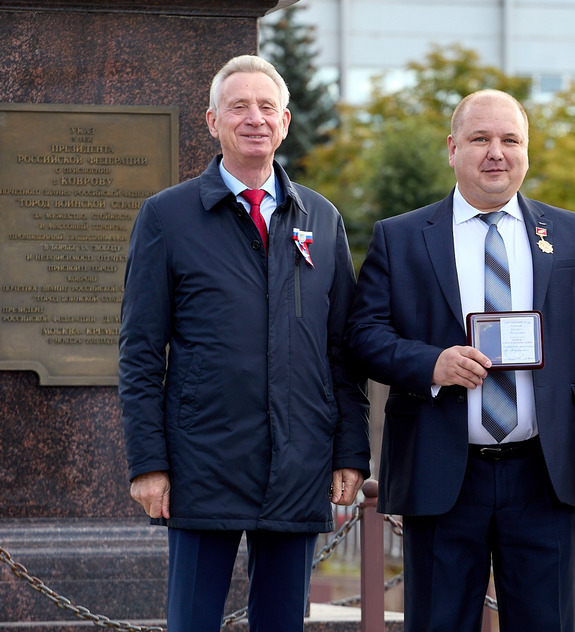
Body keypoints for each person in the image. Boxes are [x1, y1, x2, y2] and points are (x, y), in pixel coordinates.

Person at [345, 89, 575, 632]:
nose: (496, 152)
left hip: (544, 474)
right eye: (480, 139)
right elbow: (362, 336)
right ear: (453, 149)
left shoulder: (570, 233)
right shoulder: (400, 237)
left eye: (510, 140)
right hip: (442, 473)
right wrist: (432, 364)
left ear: (527, 151)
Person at [118, 55, 370, 632]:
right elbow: (139, 352)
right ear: (213, 121)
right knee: (192, 621)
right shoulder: (166, 217)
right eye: (238, 107)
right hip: (200, 464)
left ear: (285, 122)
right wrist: (148, 463)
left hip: (298, 462)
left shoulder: (322, 218)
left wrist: (351, 451)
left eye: (266, 107)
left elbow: (342, 351)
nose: (254, 118)